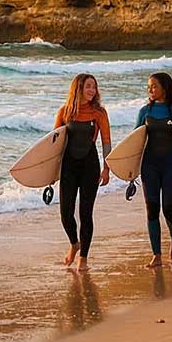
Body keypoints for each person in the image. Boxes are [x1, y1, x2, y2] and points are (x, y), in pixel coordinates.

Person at [53, 73, 112, 271]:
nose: (92, 90)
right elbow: (53, 144)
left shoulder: (99, 113)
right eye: (88, 86)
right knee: (65, 214)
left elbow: (106, 141)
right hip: (68, 167)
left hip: (90, 165)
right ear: (78, 88)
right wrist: (50, 173)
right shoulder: (65, 112)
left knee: (86, 213)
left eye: (94, 87)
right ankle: (74, 243)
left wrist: (106, 168)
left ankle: (83, 258)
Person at [134, 72, 172, 268]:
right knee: (152, 210)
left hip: (170, 165)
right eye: (148, 86)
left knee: (169, 209)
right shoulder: (144, 112)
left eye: (154, 86)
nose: (150, 89)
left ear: (165, 88)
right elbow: (134, 142)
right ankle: (156, 254)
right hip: (149, 166)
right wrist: (130, 170)